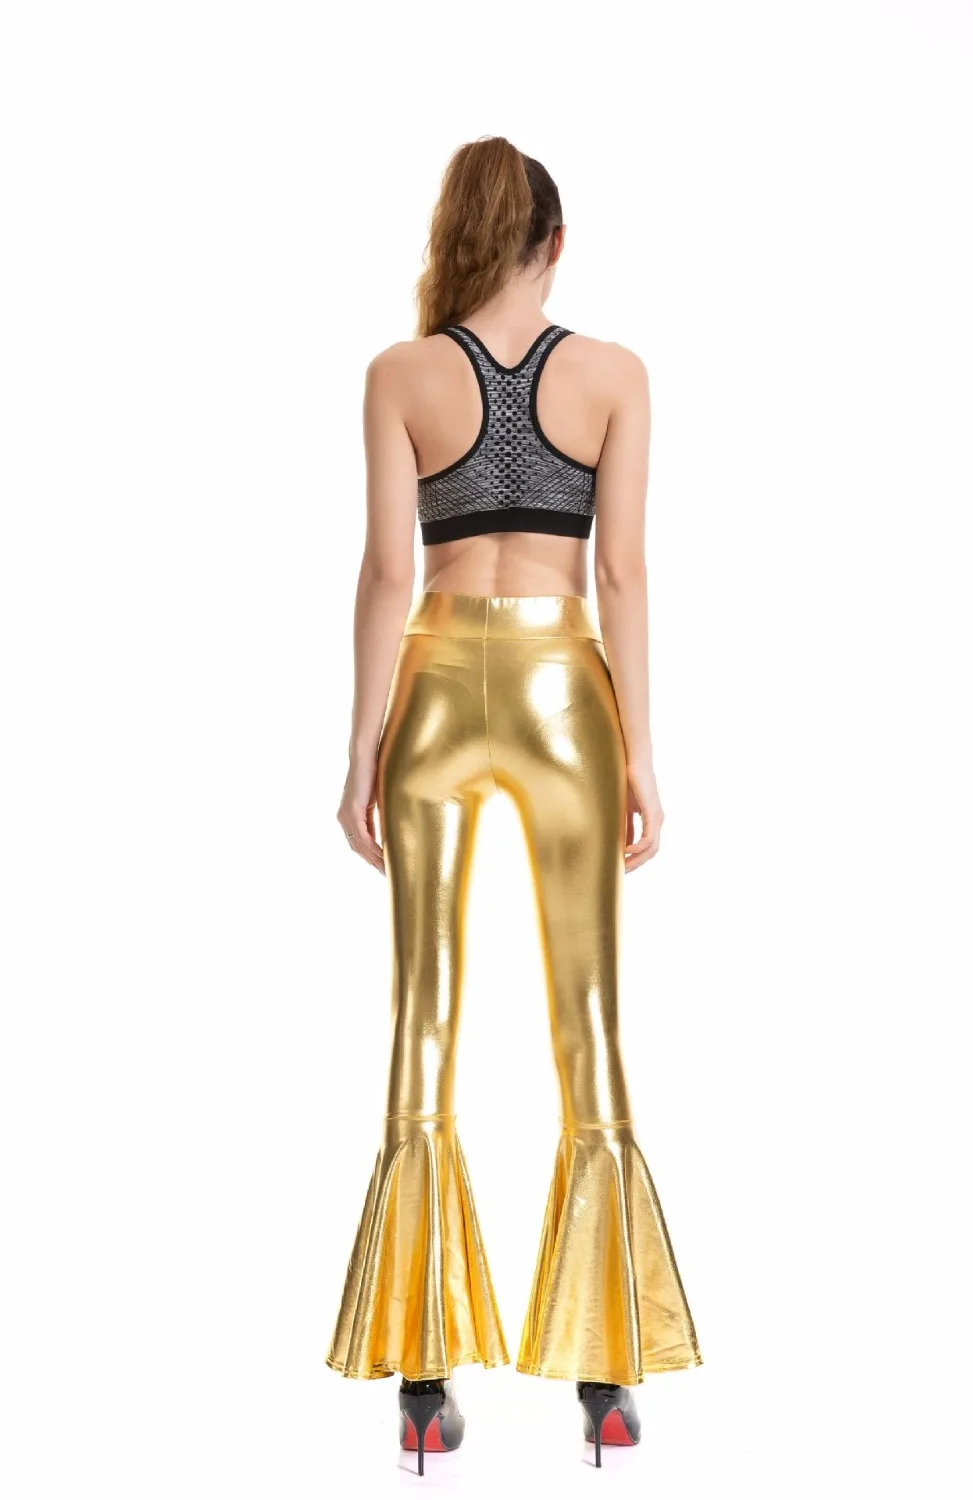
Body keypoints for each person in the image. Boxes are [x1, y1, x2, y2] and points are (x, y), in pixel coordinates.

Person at [326, 135, 702, 1474]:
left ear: (459, 235)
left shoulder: (401, 373)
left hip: (434, 683)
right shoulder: (613, 375)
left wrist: (363, 747)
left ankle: (423, 1386)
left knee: (420, 1020)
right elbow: (627, 573)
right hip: (561, 692)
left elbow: (386, 571)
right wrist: (638, 750)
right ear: (556, 240)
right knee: (587, 1023)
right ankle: (607, 1380)